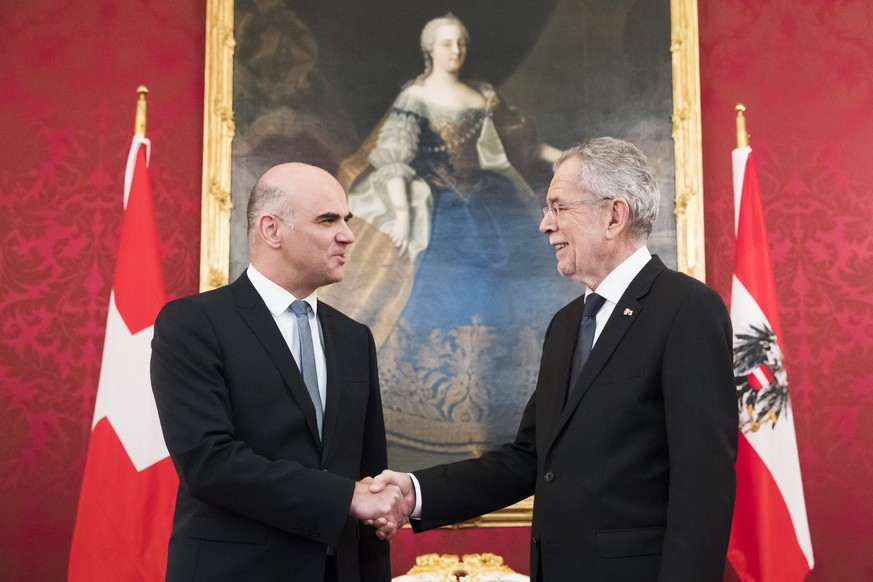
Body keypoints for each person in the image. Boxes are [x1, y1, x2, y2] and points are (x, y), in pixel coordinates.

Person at [371, 138, 738, 581]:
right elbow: (530, 458)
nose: (545, 224)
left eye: (558, 207)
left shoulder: (686, 309)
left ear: (614, 216)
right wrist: (415, 491)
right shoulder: (567, 324)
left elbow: (703, 484)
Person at [322, 13, 575, 464]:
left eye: (459, 42)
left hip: (491, 198)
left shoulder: (481, 95)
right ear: (429, 50)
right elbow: (395, 159)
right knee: (442, 280)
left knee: (520, 277)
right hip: (435, 202)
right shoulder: (415, 96)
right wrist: (400, 214)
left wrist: (576, 160)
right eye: (445, 43)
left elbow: (520, 147)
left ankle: (510, 400)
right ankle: (436, 404)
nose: (454, 50)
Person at [150, 163, 406, 582]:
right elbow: (209, 462)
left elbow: (369, 475)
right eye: (328, 220)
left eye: (347, 220)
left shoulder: (354, 338)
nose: (348, 234)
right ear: (271, 230)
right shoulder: (193, 323)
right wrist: (346, 497)